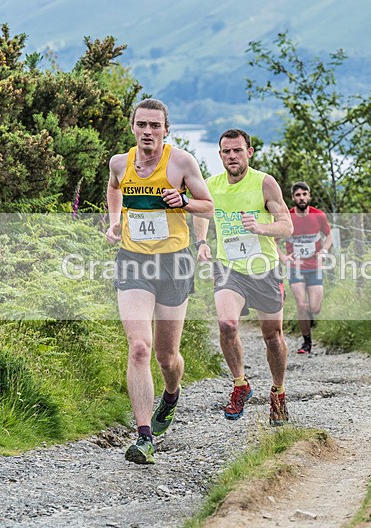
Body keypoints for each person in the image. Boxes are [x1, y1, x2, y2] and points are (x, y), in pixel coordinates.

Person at [105, 98, 214, 464]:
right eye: (142, 124)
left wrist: (182, 201)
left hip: (174, 263)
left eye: (155, 125)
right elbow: (114, 188)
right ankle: (144, 436)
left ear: (166, 130)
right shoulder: (119, 163)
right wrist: (115, 221)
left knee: (167, 357)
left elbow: (208, 205)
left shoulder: (181, 162)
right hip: (133, 261)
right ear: (132, 127)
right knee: (139, 347)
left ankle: (171, 393)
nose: (148, 131)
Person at [193, 129, 293, 426]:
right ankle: (240, 384)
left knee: (272, 337)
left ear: (249, 152)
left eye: (237, 150)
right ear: (220, 155)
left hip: (265, 268)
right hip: (229, 268)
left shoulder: (264, 183)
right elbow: (201, 213)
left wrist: (261, 228)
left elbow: (286, 226)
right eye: (226, 151)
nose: (232, 156)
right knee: (227, 324)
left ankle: (278, 392)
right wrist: (201, 242)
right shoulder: (211, 185)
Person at [277, 182, 332, 354]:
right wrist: (283, 257)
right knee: (301, 305)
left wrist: (324, 250)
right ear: (293, 198)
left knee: (315, 308)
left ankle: (311, 315)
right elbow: (273, 241)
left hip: (315, 267)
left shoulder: (319, 216)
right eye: (298, 195)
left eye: (304, 194)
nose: (301, 198)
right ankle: (306, 343)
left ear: (309, 196)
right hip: (296, 268)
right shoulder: (288, 218)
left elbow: (329, 235)